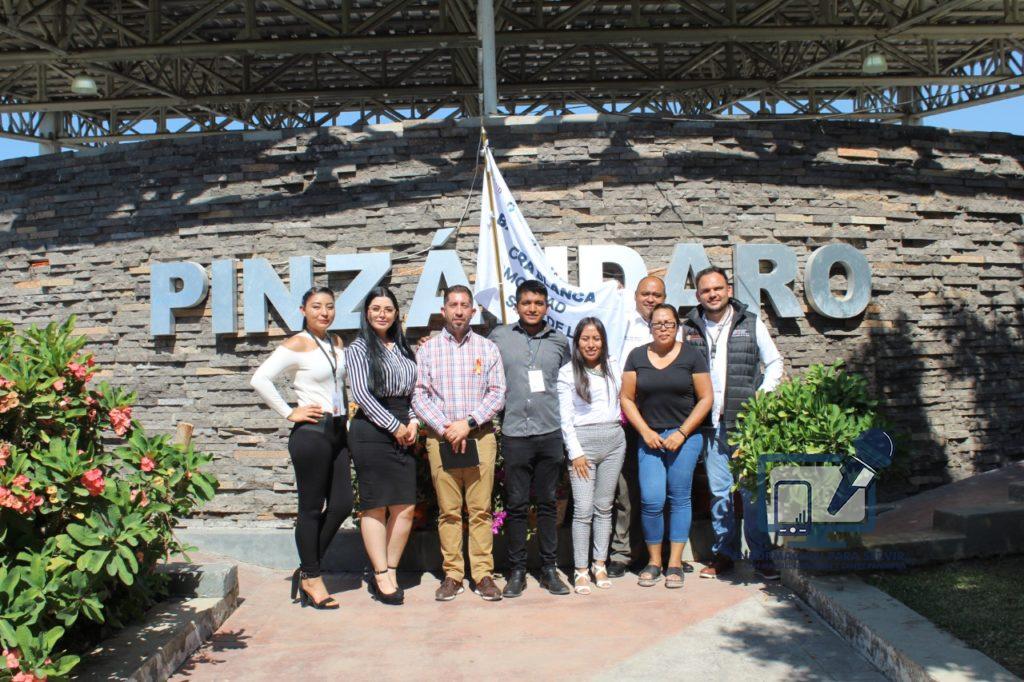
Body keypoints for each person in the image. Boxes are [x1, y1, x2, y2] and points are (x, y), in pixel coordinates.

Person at [251, 286, 352, 610]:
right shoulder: (296, 343)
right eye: (316, 306)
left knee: (342, 505)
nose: (324, 312)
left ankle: (308, 568)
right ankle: (313, 576)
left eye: (329, 306)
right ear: (303, 311)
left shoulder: (336, 342)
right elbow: (260, 379)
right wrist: (288, 412)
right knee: (310, 508)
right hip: (312, 433)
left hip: (338, 431)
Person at [682, 266, 784, 580]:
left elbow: (774, 362)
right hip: (710, 426)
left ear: (728, 290)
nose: (712, 294)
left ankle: (761, 556)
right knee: (719, 493)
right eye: (705, 290)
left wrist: (760, 398)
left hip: (746, 425)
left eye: (717, 288)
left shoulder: (750, 323)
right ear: (698, 295)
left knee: (752, 493)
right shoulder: (689, 328)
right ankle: (724, 554)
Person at [412, 285, 506, 602]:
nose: (459, 310)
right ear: (443, 311)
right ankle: (452, 574)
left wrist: (468, 424)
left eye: (465, 305)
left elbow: (497, 393)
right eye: (453, 305)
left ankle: (482, 575)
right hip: (441, 439)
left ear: (472, 312)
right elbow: (419, 395)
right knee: (449, 511)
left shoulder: (487, 348)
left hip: (480, 436)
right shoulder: (428, 351)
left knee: (480, 510)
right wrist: (446, 428)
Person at [620, 303, 713, 589]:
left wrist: (682, 433)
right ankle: (654, 561)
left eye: (669, 323)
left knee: (679, 497)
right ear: (650, 327)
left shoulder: (692, 356)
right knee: (651, 499)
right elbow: (626, 398)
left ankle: (674, 562)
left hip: (684, 436)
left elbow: (706, 398)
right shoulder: (637, 356)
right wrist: (645, 431)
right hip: (650, 437)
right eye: (657, 323)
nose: (663, 328)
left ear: (677, 326)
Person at [489, 280, 572, 598]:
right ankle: (517, 571)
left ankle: (549, 569)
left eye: (538, 303)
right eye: (527, 303)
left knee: (548, 504)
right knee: (517, 505)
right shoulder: (499, 337)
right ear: (517, 305)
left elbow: (567, 384)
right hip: (515, 433)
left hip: (549, 432)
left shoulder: (559, 341)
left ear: (547, 306)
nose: (533, 308)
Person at [345, 286, 418, 606]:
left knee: (405, 506)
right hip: (372, 430)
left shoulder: (403, 347)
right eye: (376, 308)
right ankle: (380, 573)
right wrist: (394, 426)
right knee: (375, 504)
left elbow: (415, 391)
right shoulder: (358, 348)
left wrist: (413, 422)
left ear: (396, 314)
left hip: (404, 427)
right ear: (366, 313)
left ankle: (391, 568)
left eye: (388, 309)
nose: (382, 314)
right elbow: (361, 395)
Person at [608, 275, 678, 578]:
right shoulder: (619, 322)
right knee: (626, 490)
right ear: (635, 296)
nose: (651, 299)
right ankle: (624, 553)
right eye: (645, 294)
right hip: (627, 418)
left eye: (657, 295)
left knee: (665, 489)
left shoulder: (673, 328)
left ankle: (665, 554)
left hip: (663, 419)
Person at [556, 317, 625, 595]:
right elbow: (565, 419)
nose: (591, 344)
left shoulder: (614, 367)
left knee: (604, 507)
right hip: (583, 445)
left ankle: (600, 564)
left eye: (596, 338)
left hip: (614, 441)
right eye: (585, 338)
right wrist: (575, 453)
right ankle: (581, 569)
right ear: (577, 342)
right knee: (583, 509)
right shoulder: (567, 372)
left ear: (603, 341)